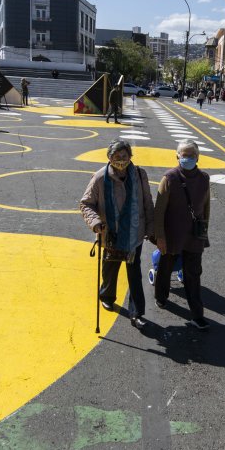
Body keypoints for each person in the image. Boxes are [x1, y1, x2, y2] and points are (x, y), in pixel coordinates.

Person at [80, 139, 155, 329]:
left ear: (131, 157)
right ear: (109, 158)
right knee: (110, 270)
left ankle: (136, 312)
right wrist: (95, 222)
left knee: (134, 274)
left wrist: (151, 227)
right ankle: (106, 295)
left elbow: (147, 201)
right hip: (110, 234)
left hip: (133, 234)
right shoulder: (99, 177)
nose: (121, 160)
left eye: (125, 156)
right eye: (117, 157)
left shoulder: (139, 174)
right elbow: (86, 203)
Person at [154, 140, 211, 330]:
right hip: (172, 235)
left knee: (193, 274)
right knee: (165, 268)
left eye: (191, 155)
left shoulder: (204, 178)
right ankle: (161, 297)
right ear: (177, 155)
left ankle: (197, 314)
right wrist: (159, 237)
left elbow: (206, 208)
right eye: (184, 155)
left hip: (194, 236)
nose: (187, 158)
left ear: (198, 157)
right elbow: (159, 210)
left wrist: (204, 232)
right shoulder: (169, 178)